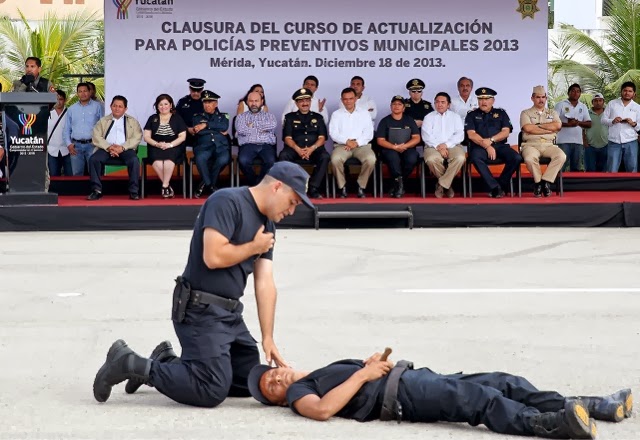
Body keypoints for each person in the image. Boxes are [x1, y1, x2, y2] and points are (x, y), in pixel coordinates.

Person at [92, 161, 315, 408]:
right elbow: (213, 256)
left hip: (229, 316)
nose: (292, 211)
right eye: (293, 201)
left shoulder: (267, 226)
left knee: (247, 379)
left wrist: (268, 337)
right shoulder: (227, 201)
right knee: (211, 389)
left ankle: (166, 362)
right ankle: (130, 363)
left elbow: (265, 283)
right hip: (199, 309)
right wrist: (254, 247)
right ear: (277, 187)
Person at [248, 351, 632, 439]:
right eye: (272, 387)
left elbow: (350, 386)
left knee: (501, 381)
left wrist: (367, 364)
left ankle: (593, 405)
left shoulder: (315, 373)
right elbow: (322, 411)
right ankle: (555, 425)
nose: (277, 377)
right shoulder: (302, 391)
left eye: (273, 372)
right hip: (401, 396)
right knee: (478, 400)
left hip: (410, 378)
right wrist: (365, 373)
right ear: (280, 400)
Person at [465, 87, 522, 198]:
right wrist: (486, 145)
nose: (484, 102)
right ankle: (495, 187)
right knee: (475, 158)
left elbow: (506, 132)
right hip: (479, 147)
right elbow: (471, 134)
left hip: (499, 145)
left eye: (487, 99)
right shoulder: (471, 115)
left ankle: (500, 185)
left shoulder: (501, 113)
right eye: (481, 99)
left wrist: (491, 141)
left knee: (516, 158)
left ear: (493, 101)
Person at [87, 95, 142, 200]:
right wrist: (109, 147)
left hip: (126, 149)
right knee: (94, 159)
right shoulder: (103, 121)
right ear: (110, 106)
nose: (117, 108)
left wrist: (122, 148)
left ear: (125, 108)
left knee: (134, 160)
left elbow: (137, 137)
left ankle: (134, 191)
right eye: (114, 106)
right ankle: (96, 190)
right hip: (106, 148)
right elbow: (96, 136)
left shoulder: (132, 122)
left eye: (120, 106)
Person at [280, 87, 330, 199]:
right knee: (283, 156)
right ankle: (292, 188)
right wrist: (298, 149)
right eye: (301, 101)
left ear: (310, 102)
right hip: (295, 148)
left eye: (307, 100)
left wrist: (311, 148)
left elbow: (322, 138)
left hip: (314, 148)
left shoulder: (318, 117)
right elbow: (287, 138)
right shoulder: (289, 117)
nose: (305, 103)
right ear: (296, 103)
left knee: (325, 156)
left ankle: (313, 187)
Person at [519, 85, 565, 197]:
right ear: (532, 98)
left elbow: (558, 126)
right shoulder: (525, 113)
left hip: (549, 145)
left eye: (543, 97)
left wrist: (537, 126)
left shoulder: (552, 113)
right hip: (531, 145)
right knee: (529, 158)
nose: (541, 100)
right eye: (538, 97)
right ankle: (538, 182)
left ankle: (545, 182)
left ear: (546, 98)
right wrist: (548, 129)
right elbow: (528, 129)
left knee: (561, 156)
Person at [329, 87, 375, 198]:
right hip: (342, 145)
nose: (348, 101)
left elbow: (369, 133)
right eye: (345, 99)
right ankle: (342, 187)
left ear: (355, 99)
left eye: (350, 98)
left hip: (361, 145)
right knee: (335, 160)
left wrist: (356, 143)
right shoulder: (336, 114)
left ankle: (361, 186)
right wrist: (347, 141)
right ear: (341, 100)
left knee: (371, 159)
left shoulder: (364, 113)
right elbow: (333, 133)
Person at [143, 93, 187, 198]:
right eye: (160, 104)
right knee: (157, 161)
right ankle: (166, 186)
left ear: (171, 105)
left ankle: (164, 185)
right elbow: (146, 136)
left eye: (166, 104)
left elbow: (182, 137)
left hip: (173, 146)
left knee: (168, 160)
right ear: (157, 106)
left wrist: (170, 145)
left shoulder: (177, 118)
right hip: (156, 146)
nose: (163, 107)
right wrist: (157, 144)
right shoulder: (152, 118)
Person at [422, 92, 466, 198]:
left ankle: (441, 184)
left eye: (443, 102)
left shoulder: (455, 117)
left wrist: (446, 144)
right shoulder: (429, 117)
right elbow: (426, 135)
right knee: (432, 159)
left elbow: (459, 134)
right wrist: (438, 146)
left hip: (453, 145)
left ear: (448, 104)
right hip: (432, 146)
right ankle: (448, 185)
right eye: (437, 102)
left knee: (460, 157)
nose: (439, 104)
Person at [375, 95, 420, 198]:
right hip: (390, 149)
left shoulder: (409, 120)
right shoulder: (385, 121)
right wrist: (394, 147)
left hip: (407, 148)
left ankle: (398, 183)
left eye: (399, 104)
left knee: (412, 158)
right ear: (390, 106)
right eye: (394, 104)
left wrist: (405, 146)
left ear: (404, 108)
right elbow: (380, 140)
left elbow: (416, 138)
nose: (396, 106)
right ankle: (399, 185)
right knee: (393, 157)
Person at [192, 90, 231, 197]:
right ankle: (210, 185)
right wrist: (216, 129)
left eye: (210, 102)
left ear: (216, 104)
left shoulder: (223, 116)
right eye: (205, 102)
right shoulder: (197, 117)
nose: (207, 105)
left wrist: (206, 125)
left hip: (220, 147)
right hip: (203, 146)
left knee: (223, 159)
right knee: (200, 159)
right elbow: (198, 131)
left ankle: (204, 183)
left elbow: (224, 127)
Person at [235, 91, 277, 186]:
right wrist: (262, 128)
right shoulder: (241, 117)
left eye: (256, 101)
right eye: (251, 101)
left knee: (271, 161)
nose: (254, 104)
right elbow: (241, 130)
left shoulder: (270, 116)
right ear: (247, 102)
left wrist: (251, 126)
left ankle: (258, 184)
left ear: (262, 101)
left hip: (266, 145)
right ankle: (256, 184)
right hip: (248, 145)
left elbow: (272, 125)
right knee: (243, 160)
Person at [63, 82, 104, 175]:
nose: (83, 93)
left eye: (85, 91)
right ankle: (79, 190)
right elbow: (66, 129)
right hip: (75, 146)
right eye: (80, 91)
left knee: (95, 173)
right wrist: (69, 144)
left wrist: (99, 144)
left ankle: (94, 190)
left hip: (93, 145)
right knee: (77, 174)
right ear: (77, 93)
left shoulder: (98, 106)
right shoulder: (71, 109)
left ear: (90, 92)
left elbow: (103, 126)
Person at [601, 81, 640, 173]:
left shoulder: (637, 107)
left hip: (631, 141)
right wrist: (612, 121)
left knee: (632, 168)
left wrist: (633, 124)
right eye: (625, 90)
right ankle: (610, 187)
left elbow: (639, 126)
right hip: (614, 141)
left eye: (630, 91)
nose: (627, 93)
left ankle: (632, 187)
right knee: (612, 168)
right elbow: (603, 120)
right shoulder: (612, 103)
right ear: (621, 92)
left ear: (634, 94)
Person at [554, 84, 592, 171]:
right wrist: (568, 124)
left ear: (580, 94)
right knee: (560, 167)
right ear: (569, 93)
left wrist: (578, 122)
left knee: (576, 168)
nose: (575, 93)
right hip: (563, 141)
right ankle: (559, 184)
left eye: (578, 91)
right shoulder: (560, 105)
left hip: (578, 142)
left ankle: (574, 185)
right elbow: (554, 123)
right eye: (573, 91)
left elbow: (589, 124)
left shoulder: (583, 106)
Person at [47, 89, 72, 177]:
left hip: (67, 149)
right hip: (51, 149)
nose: (58, 102)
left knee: (70, 174)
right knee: (53, 175)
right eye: (56, 99)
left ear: (65, 100)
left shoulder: (70, 113)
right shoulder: (47, 113)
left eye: (60, 99)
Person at [176, 78, 206, 149]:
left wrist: (203, 126)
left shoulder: (208, 102)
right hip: (185, 133)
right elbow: (176, 119)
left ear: (202, 89)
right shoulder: (183, 101)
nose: (196, 93)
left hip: (203, 134)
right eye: (193, 90)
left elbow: (215, 118)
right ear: (189, 88)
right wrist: (187, 128)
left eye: (198, 91)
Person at [584, 93, 609, 172]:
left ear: (603, 101)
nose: (598, 102)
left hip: (606, 145)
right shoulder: (587, 113)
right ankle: (590, 184)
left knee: (603, 170)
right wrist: (584, 142)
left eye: (600, 100)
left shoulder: (608, 114)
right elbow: (581, 129)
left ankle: (601, 184)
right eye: (596, 101)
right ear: (592, 102)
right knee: (590, 169)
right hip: (590, 146)